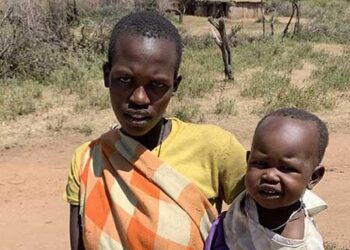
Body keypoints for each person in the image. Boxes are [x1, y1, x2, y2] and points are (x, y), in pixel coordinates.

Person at [63, 11, 247, 250]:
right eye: (125, 80)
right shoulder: (87, 160)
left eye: (157, 85)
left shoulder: (214, 148)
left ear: (175, 85)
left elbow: (270, 219)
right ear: (107, 76)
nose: (139, 98)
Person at [205, 107, 329, 250]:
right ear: (248, 161)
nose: (270, 175)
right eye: (260, 163)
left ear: (313, 177)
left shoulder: (303, 244)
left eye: (286, 168)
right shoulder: (246, 203)